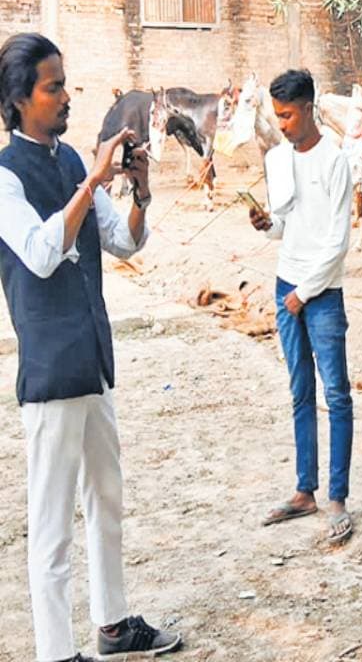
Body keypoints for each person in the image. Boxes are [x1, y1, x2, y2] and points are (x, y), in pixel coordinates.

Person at [0, 33, 182, 662]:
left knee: (107, 497)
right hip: (50, 371)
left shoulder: (74, 163)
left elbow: (124, 243)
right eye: (53, 87)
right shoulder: (5, 178)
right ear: (21, 100)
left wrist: (138, 190)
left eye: (65, 82)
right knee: (51, 525)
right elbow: (43, 255)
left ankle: (112, 626)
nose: (66, 95)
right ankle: (55, 651)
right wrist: (92, 182)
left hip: (93, 360)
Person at [249, 69, 356, 545]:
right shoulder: (278, 159)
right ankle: (304, 490)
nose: (283, 125)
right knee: (299, 392)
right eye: (278, 116)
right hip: (286, 285)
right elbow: (285, 226)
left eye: (288, 115)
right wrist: (265, 224)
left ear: (309, 109)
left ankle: (337, 498)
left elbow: (337, 242)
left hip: (320, 294)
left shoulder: (336, 162)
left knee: (336, 396)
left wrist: (304, 292)